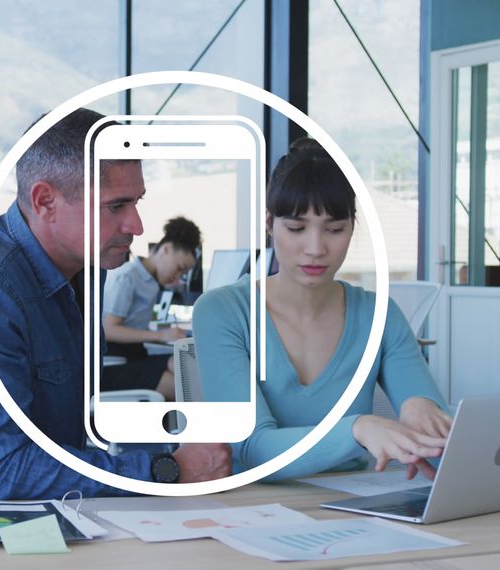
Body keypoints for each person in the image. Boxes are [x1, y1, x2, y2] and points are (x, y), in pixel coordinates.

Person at [0, 109, 231, 500]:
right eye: (115, 206)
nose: (137, 226)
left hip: (46, 508)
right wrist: (166, 470)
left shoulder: (89, 262)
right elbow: (7, 472)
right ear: (45, 201)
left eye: (136, 202)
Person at [193, 138, 452, 483]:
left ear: (352, 227)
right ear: (269, 224)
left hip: (356, 501)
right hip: (252, 507)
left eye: (334, 229)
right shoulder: (222, 312)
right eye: (296, 229)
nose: (316, 249)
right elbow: (253, 449)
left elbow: (433, 425)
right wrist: (357, 430)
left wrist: (421, 406)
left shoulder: (380, 314)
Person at [102, 216, 201, 400]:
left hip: (134, 355)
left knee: (185, 365)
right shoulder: (128, 277)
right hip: (113, 362)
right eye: (179, 267)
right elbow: (108, 329)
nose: (178, 276)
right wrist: (160, 335)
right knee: (185, 389)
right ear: (165, 249)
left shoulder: (150, 281)